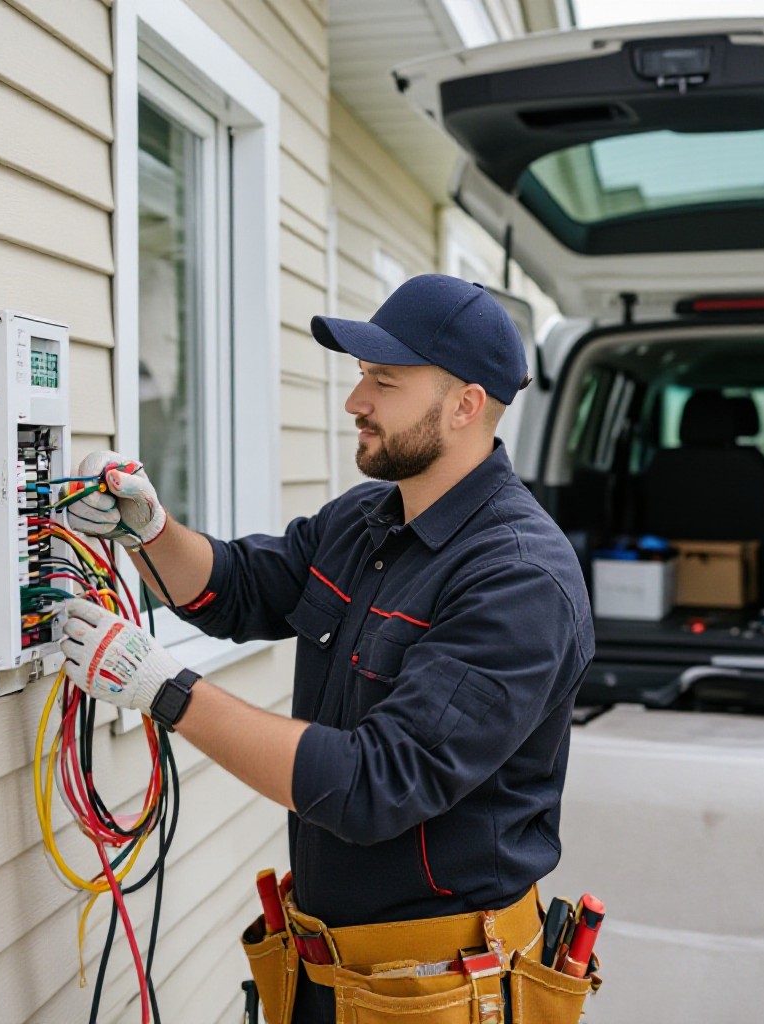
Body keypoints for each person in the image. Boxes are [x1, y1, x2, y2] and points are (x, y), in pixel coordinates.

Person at [61, 274, 595, 1023]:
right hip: (325, 971)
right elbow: (244, 586)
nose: (356, 403)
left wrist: (165, 689)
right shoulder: (368, 519)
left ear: (466, 405)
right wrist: (148, 530)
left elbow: (376, 784)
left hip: (442, 990)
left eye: (384, 381)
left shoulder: (518, 578)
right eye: (360, 377)